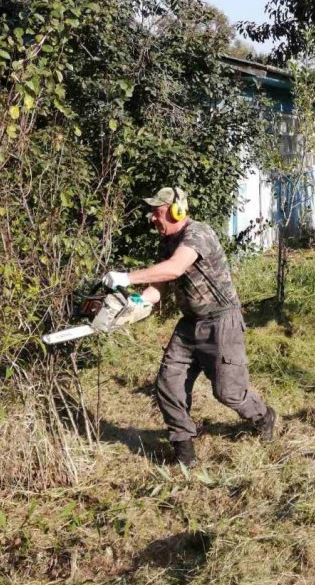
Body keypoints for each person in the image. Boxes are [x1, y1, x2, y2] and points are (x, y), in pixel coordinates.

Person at [102, 185, 276, 467]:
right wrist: (129, 308)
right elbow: (156, 289)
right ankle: (184, 450)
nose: (153, 219)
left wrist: (126, 276)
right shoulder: (167, 242)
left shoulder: (198, 233)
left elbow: (174, 268)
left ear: (176, 211)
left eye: (157, 212)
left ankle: (263, 415)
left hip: (221, 321)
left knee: (227, 392)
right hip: (190, 324)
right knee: (168, 383)